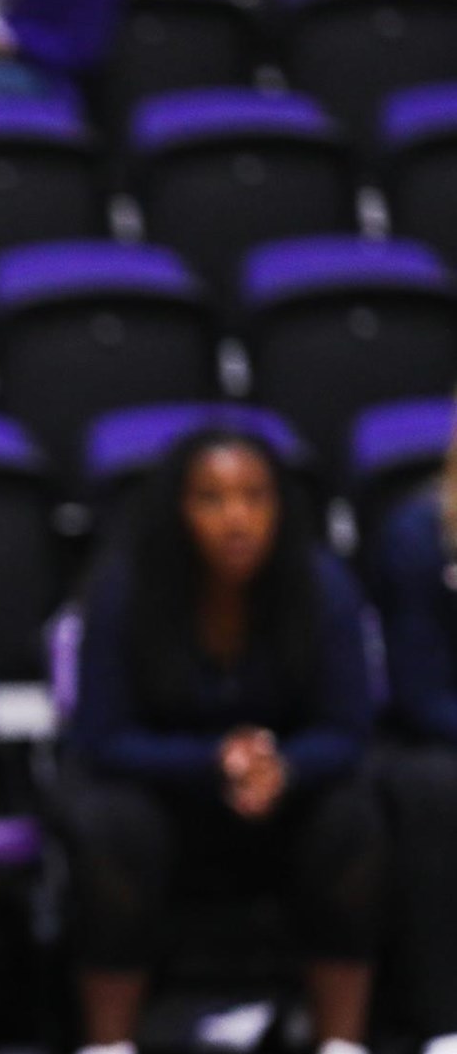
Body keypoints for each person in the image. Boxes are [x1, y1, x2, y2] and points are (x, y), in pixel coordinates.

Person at [56, 429, 385, 1054]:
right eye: (212, 498)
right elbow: (99, 737)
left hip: (282, 796)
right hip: (157, 793)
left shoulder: (322, 586)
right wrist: (215, 761)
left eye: (254, 496)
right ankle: (107, 1043)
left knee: (354, 815)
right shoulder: (125, 589)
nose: (237, 517)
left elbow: (349, 729)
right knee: (108, 823)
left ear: (280, 506)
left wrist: (280, 767)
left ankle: (342, 1042)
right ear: (177, 508)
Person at [370, 417, 457, 1054]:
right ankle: (444, 1017)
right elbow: (421, 693)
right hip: (436, 733)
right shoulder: (420, 535)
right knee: (435, 789)